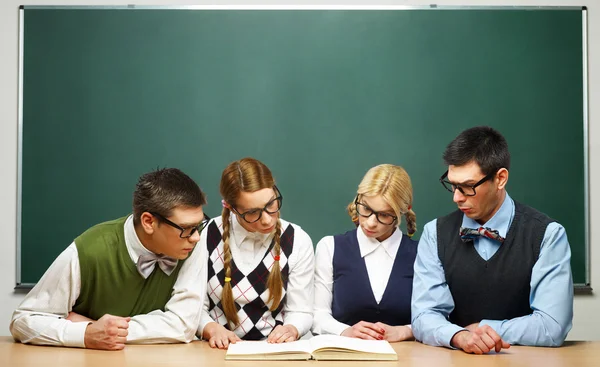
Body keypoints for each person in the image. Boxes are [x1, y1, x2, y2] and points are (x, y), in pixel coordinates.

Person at [411, 126, 573, 354]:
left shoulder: (547, 235)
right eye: (452, 185)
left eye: (467, 187)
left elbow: (552, 325)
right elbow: (423, 316)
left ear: (500, 179)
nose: (457, 197)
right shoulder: (434, 234)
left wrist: (484, 329)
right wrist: (458, 336)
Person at [10, 168, 209, 350]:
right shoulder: (89, 250)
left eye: (198, 225)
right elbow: (24, 320)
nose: (196, 236)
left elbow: (183, 325)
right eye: (186, 228)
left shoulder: (192, 245)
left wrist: (90, 326)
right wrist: (85, 335)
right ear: (148, 222)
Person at [198, 157, 314, 349]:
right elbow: (194, 305)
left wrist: (292, 328)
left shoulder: (297, 240)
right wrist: (210, 327)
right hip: (216, 351)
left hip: (273, 352)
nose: (268, 220)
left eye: (271, 204)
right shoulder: (205, 236)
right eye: (252, 212)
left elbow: (301, 310)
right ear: (231, 208)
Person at [312, 164, 417, 342]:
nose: (370, 223)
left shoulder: (421, 254)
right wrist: (345, 331)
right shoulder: (330, 247)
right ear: (358, 199)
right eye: (366, 209)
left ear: (402, 211)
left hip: (405, 358)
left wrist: (404, 331)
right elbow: (318, 314)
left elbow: (436, 317)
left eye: (384, 215)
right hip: (344, 355)